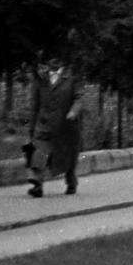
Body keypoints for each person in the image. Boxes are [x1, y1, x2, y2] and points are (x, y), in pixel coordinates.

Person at [27, 62, 83, 197]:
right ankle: (37, 184)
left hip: (66, 125)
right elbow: (35, 104)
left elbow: (79, 98)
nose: (53, 61)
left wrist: (73, 112)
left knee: (68, 156)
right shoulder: (40, 79)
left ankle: (71, 182)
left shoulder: (72, 77)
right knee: (39, 152)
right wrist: (32, 126)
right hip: (44, 124)